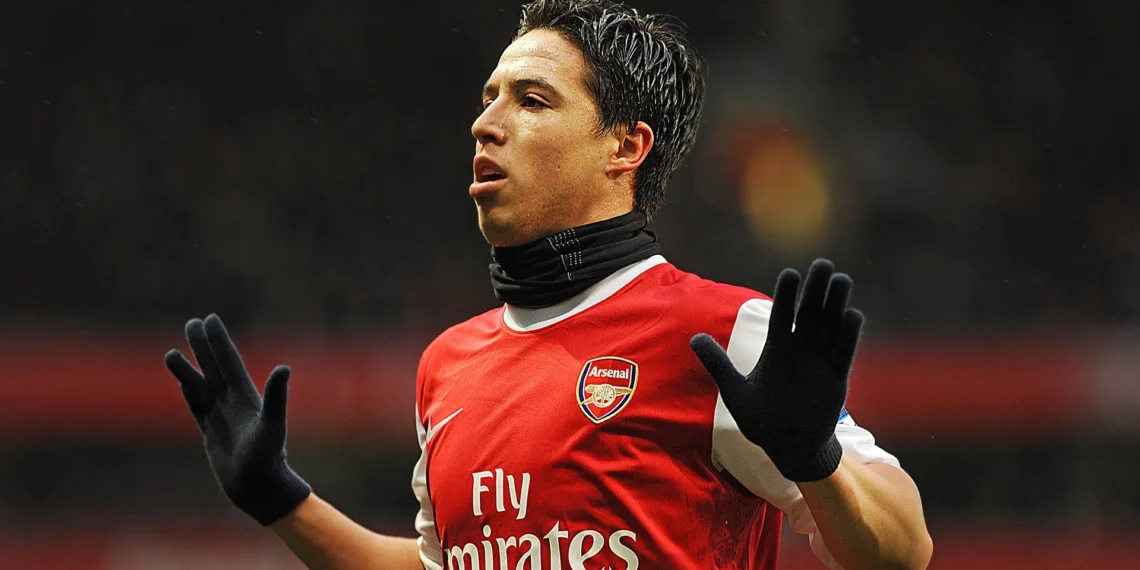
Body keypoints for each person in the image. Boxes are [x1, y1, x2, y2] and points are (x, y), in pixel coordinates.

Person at [163, 1, 933, 568]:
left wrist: (815, 461)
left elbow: (905, 552)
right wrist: (281, 499)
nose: (485, 123)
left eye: (531, 100)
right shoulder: (447, 365)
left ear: (625, 148)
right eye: (488, 97)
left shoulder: (725, 336)